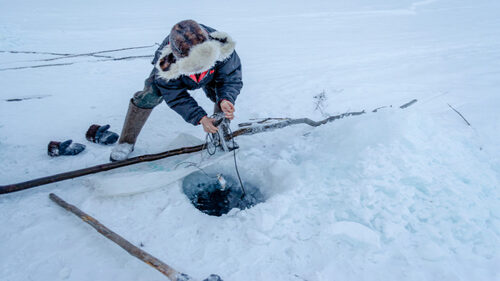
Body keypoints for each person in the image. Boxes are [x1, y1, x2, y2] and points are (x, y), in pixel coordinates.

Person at [110, 20, 243, 161]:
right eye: (195, 67)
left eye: (204, 65)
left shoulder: (222, 49)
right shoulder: (167, 66)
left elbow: (231, 79)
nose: (200, 70)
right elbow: (176, 96)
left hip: (213, 74)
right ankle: (126, 142)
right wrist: (200, 118)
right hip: (174, 75)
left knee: (220, 93)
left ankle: (220, 131)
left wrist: (226, 99)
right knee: (149, 96)